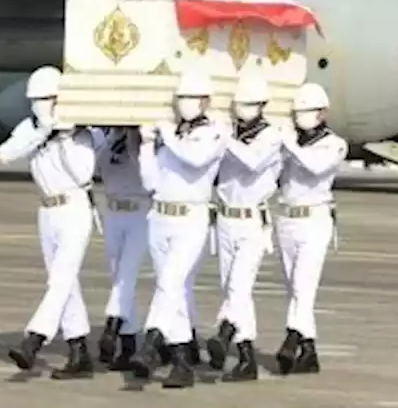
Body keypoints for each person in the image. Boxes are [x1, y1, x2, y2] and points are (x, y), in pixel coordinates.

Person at [0, 65, 99, 380]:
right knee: (65, 283)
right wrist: (42, 131)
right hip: (47, 212)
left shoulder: (81, 134)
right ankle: (79, 349)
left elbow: (82, 174)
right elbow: (6, 154)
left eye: (46, 99)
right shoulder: (31, 127)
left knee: (60, 280)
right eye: (36, 100)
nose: (39, 105)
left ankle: (34, 339)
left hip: (74, 209)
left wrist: (64, 137)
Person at [128, 70, 225, 389]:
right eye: (180, 98)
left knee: (169, 284)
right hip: (159, 218)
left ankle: (151, 343)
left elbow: (196, 160)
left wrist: (167, 135)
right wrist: (145, 146)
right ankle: (183, 362)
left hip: (191, 219)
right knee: (175, 293)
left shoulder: (214, 132)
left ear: (206, 102)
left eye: (191, 98)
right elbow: (150, 182)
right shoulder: (173, 137)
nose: (184, 104)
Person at [206, 72, 283, 381]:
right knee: (235, 290)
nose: (244, 109)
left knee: (239, 285)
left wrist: (225, 139)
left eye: (250, 104)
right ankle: (246, 357)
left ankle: (224, 331)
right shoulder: (228, 134)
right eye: (240, 104)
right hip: (225, 218)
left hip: (253, 221)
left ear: (262, 105)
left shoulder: (272, 135)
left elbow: (253, 161)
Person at [273, 82, 346, 375]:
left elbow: (316, 167)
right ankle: (309, 350)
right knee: (296, 288)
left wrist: (287, 143)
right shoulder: (292, 143)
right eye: (297, 112)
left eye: (308, 111)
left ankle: (292, 338)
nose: (301, 117)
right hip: (286, 219)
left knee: (304, 285)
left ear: (323, 113)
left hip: (314, 220)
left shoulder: (334, 144)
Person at [92, 125, 150, 370]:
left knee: (126, 275)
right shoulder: (105, 139)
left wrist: (138, 141)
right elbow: (94, 171)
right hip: (113, 211)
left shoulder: (146, 141)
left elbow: (149, 175)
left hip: (139, 211)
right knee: (119, 279)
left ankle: (112, 326)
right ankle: (128, 346)